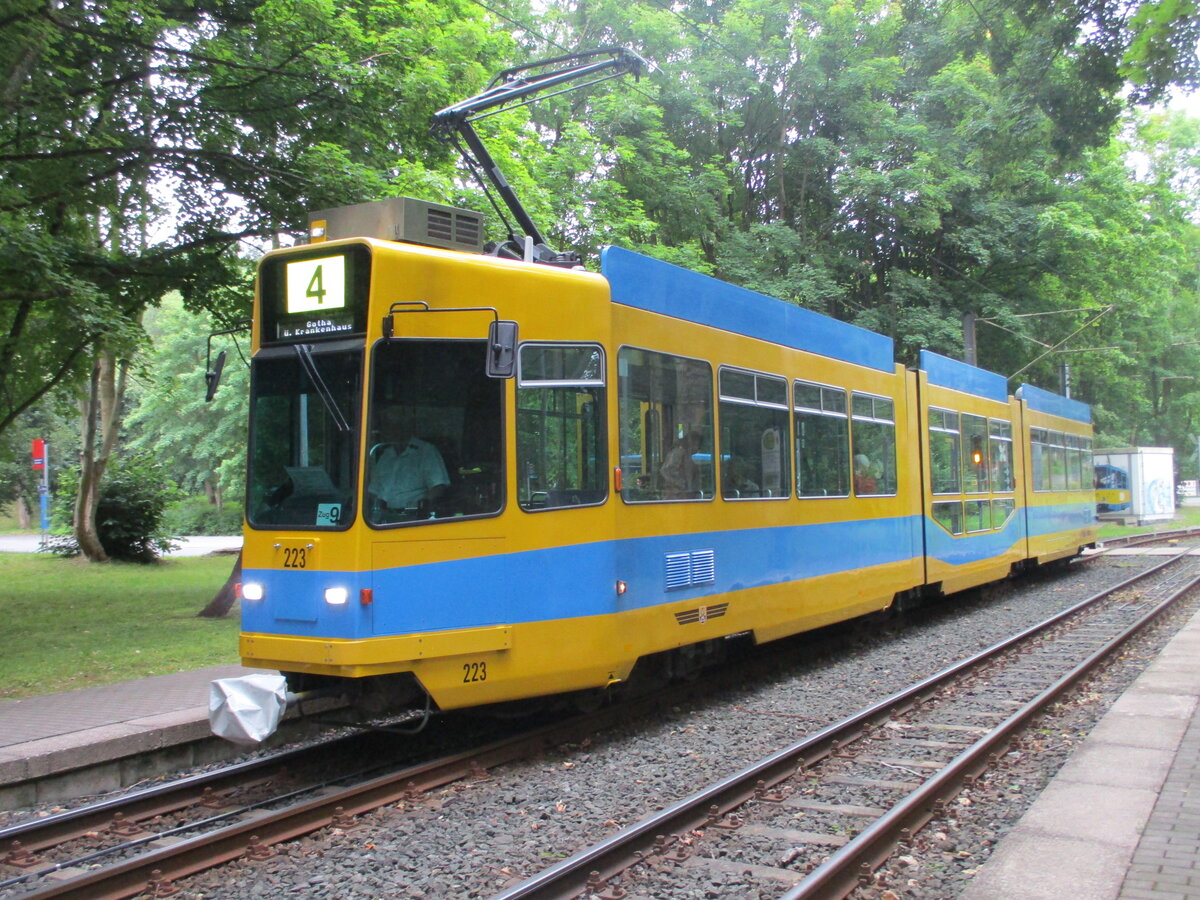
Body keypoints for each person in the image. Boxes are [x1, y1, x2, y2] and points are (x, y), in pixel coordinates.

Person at [368, 405, 450, 516]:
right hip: (381, 517)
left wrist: (421, 506)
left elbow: (438, 487)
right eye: (386, 426)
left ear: (404, 426)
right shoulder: (386, 455)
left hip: (413, 517)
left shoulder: (425, 451)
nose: (387, 431)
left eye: (393, 425)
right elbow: (373, 490)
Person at [661, 429, 702, 499]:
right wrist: (680, 485)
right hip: (676, 495)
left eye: (698, 445)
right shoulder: (677, 453)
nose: (696, 448)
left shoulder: (687, 456)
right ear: (688, 443)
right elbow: (666, 470)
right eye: (695, 444)